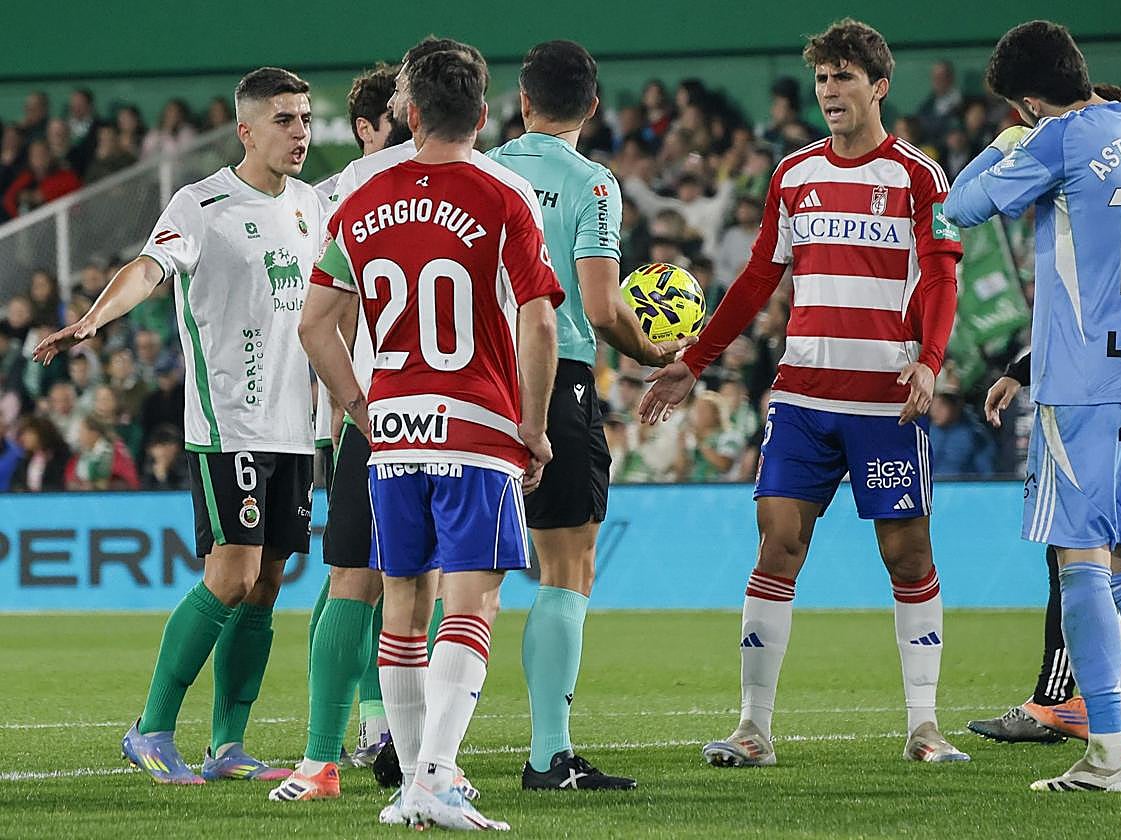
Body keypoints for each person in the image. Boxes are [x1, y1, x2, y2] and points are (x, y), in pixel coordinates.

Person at [640, 18, 968, 766]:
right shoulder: (793, 175)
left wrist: (932, 361)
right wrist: (697, 357)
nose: (830, 92)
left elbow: (943, 275)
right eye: (822, 79)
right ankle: (754, 728)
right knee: (777, 545)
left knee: (908, 557)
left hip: (887, 403)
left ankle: (924, 726)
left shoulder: (920, 177)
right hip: (802, 402)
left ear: (879, 85)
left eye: (844, 77)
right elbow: (760, 276)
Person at [296, 42, 561, 831]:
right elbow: (539, 319)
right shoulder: (505, 194)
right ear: (483, 115)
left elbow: (314, 325)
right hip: (475, 424)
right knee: (473, 601)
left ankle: (415, 781)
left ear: (409, 115)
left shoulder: (357, 200)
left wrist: (359, 406)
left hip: (395, 431)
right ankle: (438, 776)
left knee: (404, 606)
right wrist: (536, 429)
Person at [34, 66, 323, 785]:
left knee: (268, 582)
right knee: (232, 572)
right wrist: (97, 316)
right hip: (229, 422)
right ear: (246, 129)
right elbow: (150, 267)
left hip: (297, 424)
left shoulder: (314, 206)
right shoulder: (202, 203)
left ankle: (228, 746)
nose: (301, 132)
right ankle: (152, 728)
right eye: (285, 119)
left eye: (307, 118)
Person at [944, 23, 1121, 791]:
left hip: (1085, 386)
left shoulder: (1058, 138)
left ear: (1028, 100)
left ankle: (1108, 753)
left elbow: (960, 205)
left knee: (1079, 562)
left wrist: (1006, 141)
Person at [488, 40, 692, 790]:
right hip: (556, 376)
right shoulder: (593, 184)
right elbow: (601, 307)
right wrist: (652, 354)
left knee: (458, 575)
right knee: (565, 567)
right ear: (594, 106)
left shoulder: (481, 167)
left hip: (474, 380)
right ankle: (549, 755)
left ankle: (418, 748)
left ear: (523, 99)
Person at [277, 59, 409, 801]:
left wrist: (346, 400)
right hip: (391, 400)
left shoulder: (336, 195)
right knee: (386, 576)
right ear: (370, 125)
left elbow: (319, 311)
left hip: (362, 400)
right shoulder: (352, 192)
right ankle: (383, 728)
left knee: (361, 576)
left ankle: (352, 737)